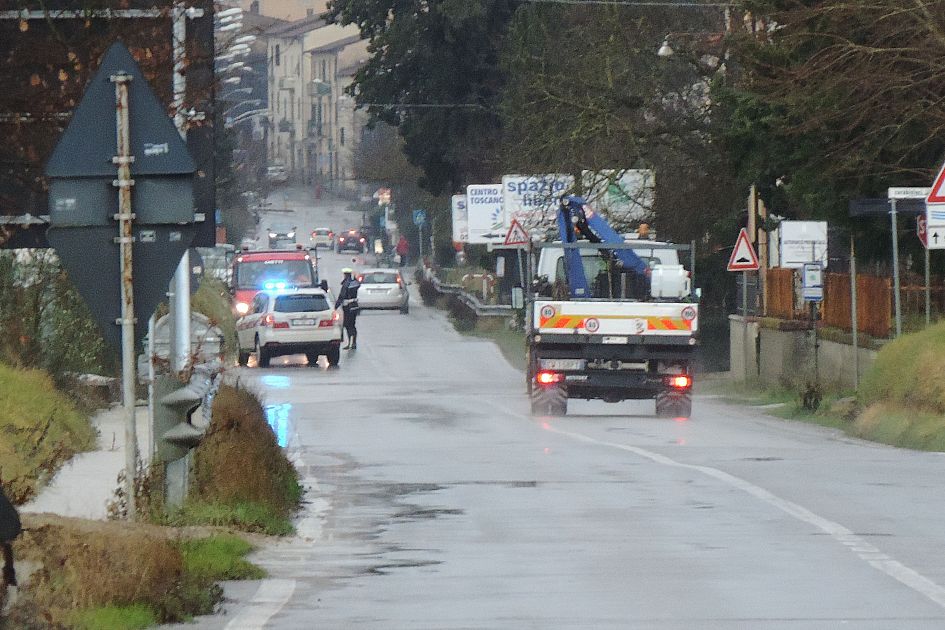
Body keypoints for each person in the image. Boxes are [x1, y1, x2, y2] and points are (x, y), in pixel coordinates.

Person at [0, 482, 21, 604]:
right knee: (7, 547)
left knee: (7, 546)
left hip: (7, 527)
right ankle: (10, 580)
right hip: (10, 527)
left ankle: (10, 580)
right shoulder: (3, 497)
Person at [335, 268, 361, 349]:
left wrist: (335, 307)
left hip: (347, 307)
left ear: (345, 275)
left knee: (347, 325)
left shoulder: (346, 284)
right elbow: (358, 285)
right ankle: (354, 343)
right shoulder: (355, 282)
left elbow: (341, 296)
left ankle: (350, 343)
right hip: (355, 306)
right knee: (353, 325)